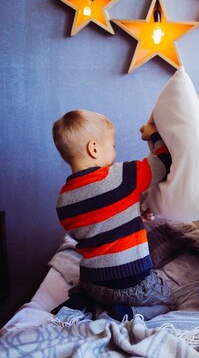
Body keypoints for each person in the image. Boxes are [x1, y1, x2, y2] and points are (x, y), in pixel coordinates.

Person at [52, 109, 174, 321]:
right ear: (94, 149)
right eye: (113, 145)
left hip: (93, 283)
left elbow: (84, 232)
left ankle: (81, 300)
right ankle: (128, 312)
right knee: (169, 300)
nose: (115, 151)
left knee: (92, 285)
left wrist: (133, 210)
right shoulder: (121, 176)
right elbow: (163, 163)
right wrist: (153, 134)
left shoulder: (63, 200)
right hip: (132, 282)